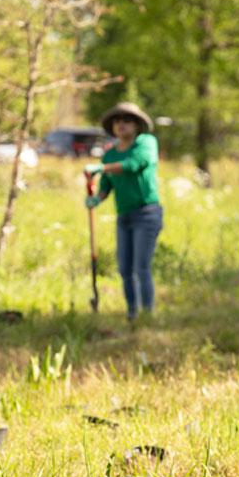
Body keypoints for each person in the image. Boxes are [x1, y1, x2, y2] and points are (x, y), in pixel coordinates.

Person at [84, 102, 163, 322]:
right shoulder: (109, 155)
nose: (122, 125)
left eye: (127, 120)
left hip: (146, 213)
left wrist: (102, 169)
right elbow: (106, 186)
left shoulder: (146, 143)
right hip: (124, 217)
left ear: (137, 124)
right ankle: (132, 314)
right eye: (117, 121)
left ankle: (148, 314)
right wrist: (95, 199)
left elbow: (135, 164)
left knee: (141, 267)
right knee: (125, 269)